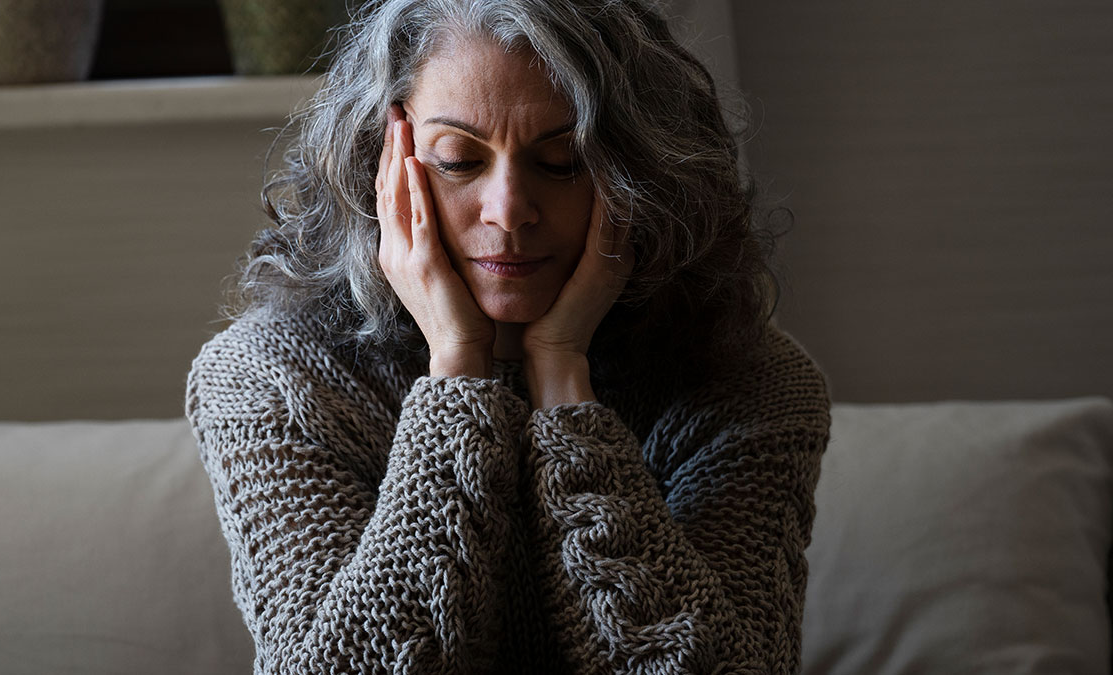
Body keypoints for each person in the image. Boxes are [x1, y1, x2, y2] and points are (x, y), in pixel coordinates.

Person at [184, 0, 831, 672]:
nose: (510, 211)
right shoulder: (274, 382)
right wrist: (458, 377)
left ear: (641, 175)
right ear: (380, 166)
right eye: (459, 160)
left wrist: (563, 387)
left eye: (561, 161)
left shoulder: (751, 386)